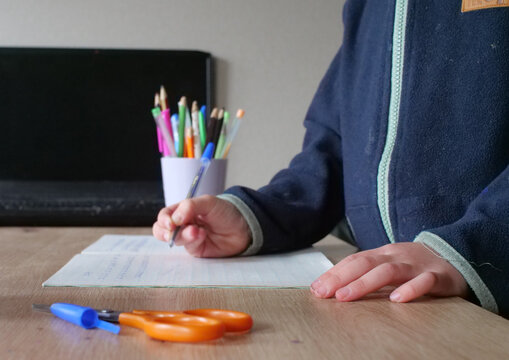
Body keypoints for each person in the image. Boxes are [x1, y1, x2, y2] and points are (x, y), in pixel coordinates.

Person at [153, 1, 509, 317]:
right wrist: (255, 216)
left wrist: (471, 247)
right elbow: (333, 148)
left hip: (488, 305)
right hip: (387, 306)